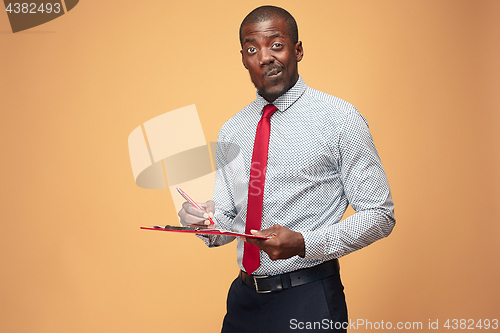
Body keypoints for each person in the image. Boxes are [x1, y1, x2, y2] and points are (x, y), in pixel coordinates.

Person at [178, 5, 395, 333]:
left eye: (275, 45)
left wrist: (305, 243)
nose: (264, 57)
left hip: (308, 298)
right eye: (252, 49)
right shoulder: (232, 130)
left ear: (298, 50)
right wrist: (203, 221)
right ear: (243, 59)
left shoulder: (340, 119)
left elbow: (380, 215)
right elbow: (226, 221)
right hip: (243, 301)